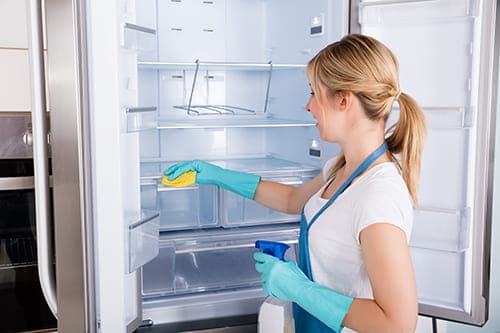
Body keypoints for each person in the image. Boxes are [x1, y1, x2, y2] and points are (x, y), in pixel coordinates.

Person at [163, 33, 426, 332]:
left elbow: (398, 323)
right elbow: (292, 200)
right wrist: (215, 175)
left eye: (314, 93)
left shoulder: (379, 196)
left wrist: (297, 288)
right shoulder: (344, 167)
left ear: (343, 100)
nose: (308, 105)